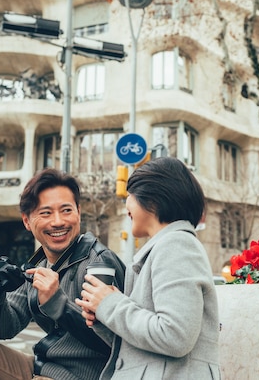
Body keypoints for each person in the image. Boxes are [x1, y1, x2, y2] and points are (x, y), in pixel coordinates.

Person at [0, 168, 126, 380]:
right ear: (27, 221)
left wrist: (58, 304)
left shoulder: (98, 263)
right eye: (46, 213)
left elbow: (115, 343)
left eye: (66, 210)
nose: (58, 221)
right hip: (43, 368)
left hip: (82, 376)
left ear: (78, 212)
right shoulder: (39, 265)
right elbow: (4, 330)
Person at [76, 156, 221, 379]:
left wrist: (111, 305)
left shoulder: (176, 245)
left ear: (153, 200)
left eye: (129, 196)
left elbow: (175, 336)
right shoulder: (164, 248)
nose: (126, 207)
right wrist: (104, 315)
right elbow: (144, 346)